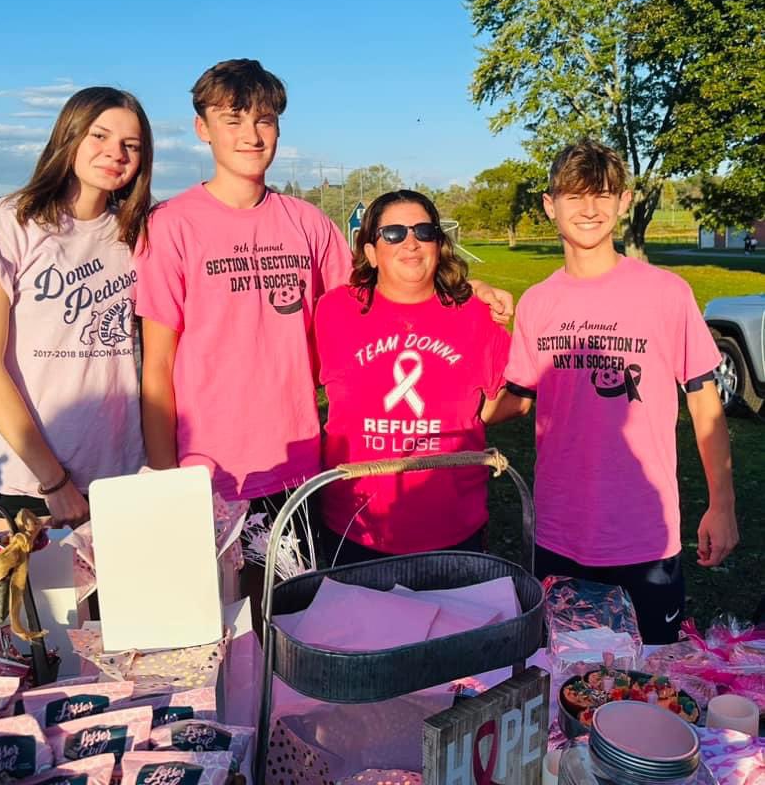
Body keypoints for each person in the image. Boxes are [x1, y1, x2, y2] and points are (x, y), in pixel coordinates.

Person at [136, 59, 513, 508]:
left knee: (290, 580)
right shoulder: (170, 225)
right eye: (232, 120)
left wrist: (470, 289)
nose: (251, 135)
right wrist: (163, 477)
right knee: (221, 582)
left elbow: (381, 289)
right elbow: (157, 366)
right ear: (203, 128)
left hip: (300, 460)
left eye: (264, 120)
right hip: (205, 467)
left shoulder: (306, 222)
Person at [490, 138, 738, 643]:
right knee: (565, 680)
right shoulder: (537, 304)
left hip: (644, 533)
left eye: (603, 195)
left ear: (624, 202)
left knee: (650, 685)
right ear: (549, 205)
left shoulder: (666, 293)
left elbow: (703, 400)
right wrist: (445, 405)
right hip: (559, 530)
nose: (589, 209)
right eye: (574, 196)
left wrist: (722, 504)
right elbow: (517, 397)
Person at [0, 87, 153, 527]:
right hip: (33, 482)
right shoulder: (9, 220)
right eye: (99, 136)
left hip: (121, 473)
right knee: (45, 599)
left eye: (131, 146)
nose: (115, 153)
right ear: (69, 136)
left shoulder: (137, 232)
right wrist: (54, 481)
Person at [313, 189, 511, 564]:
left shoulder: (475, 313)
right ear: (370, 252)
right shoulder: (333, 310)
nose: (411, 243)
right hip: (356, 524)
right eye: (393, 234)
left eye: (424, 232)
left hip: (452, 526)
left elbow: (513, 397)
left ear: (439, 244)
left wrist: (469, 419)